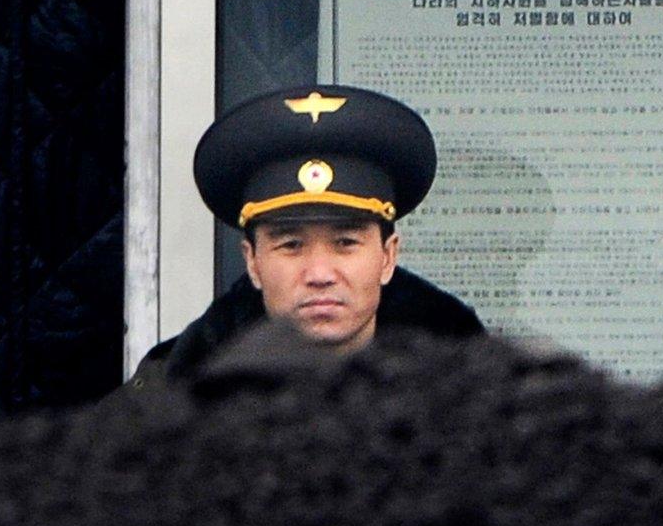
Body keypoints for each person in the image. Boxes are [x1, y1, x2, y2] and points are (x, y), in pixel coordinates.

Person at [134, 84, 484, 381]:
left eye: (345, 243)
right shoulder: (173, 394)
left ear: (388, 257)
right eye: (291, 245)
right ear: (253, 262)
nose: (319, 274)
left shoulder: (472, 396)